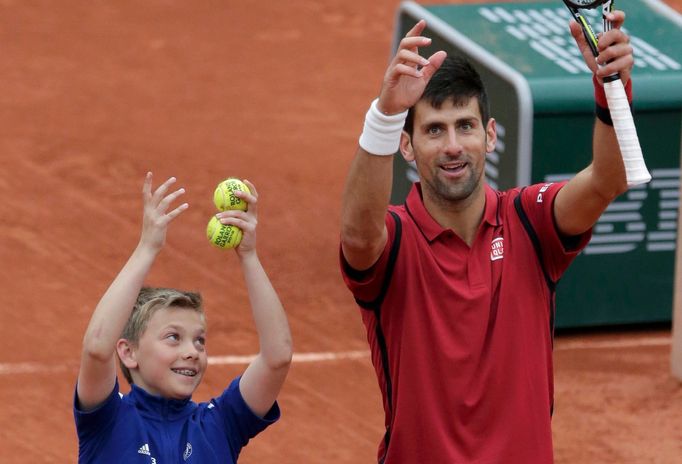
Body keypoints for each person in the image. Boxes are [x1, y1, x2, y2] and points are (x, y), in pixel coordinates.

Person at [340, 11, 635, 464]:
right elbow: (358, 235)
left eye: (465, 126)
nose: (453, 146)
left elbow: (606, 181)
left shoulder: (531, 223)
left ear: (489, 135)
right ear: (407, 146)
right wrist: (383, 115)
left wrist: (612, 88)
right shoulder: (395, 240)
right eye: (434, 130)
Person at [74, 172, 292, 463]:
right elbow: (97, 347)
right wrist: (147, 248)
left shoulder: (221, 424)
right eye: (173, 337)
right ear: (128, 352)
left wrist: (249, 256)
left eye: (199, 341)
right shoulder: (107, 420)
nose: (192, 352)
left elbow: (277, 356)